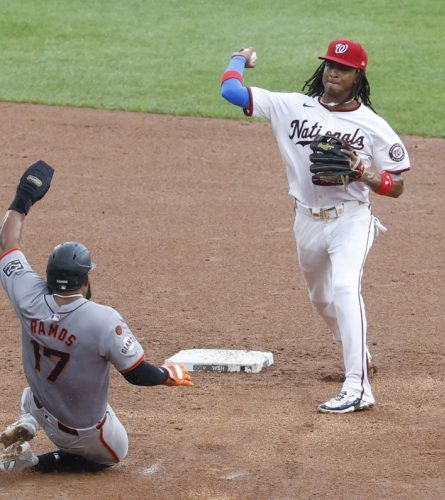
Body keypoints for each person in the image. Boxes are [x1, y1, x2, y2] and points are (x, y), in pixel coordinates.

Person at [220, 39, 410, 413]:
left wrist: (365, 174)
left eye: (342, 67)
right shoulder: (291, 106)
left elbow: (398, 185)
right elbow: (230, 90)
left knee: (343, 288)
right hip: (306, 220)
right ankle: (358, 349)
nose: (332, 72)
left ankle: (358, 387)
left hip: (351, 219)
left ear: (358, 75)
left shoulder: (373, 126)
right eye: (328, 65)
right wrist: (239, 58)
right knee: (321, 299)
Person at [0, 161, 193, 473]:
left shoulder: (26, 294)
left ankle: (30, 419)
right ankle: (34, 462)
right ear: (84, 281)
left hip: (39, 401)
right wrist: (166, 374)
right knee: (115, 453)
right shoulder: (103, 320)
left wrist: (24, 197)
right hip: (78, 431)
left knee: (40, 390)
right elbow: (136, 373)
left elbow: (7, 242)